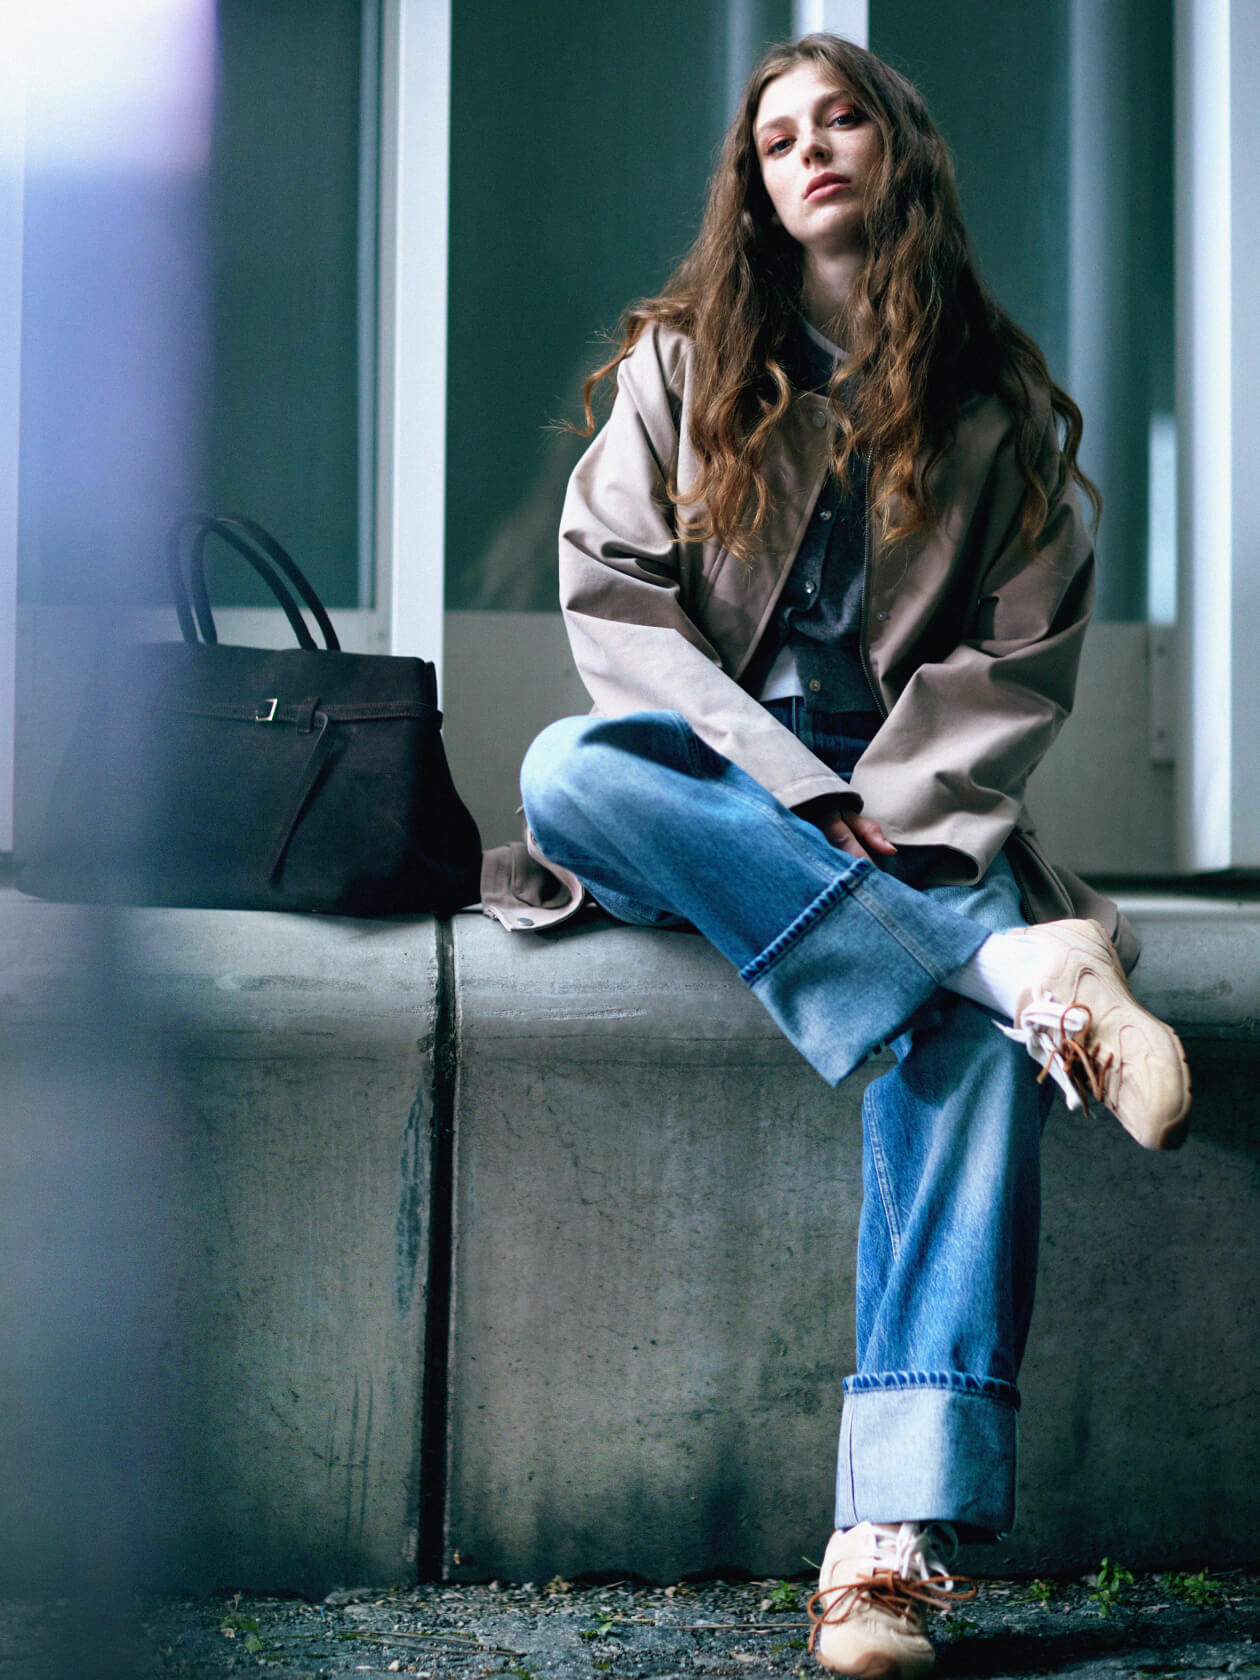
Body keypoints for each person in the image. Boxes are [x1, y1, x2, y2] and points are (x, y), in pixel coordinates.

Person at [482, 33, 1190, 1680]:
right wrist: (795, 788)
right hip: (716, 790)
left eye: (842, 118)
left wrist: (895, 803)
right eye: (777, 134)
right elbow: (617, 610)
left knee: (973, 1058)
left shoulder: (998, 410)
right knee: (565, 770)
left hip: (921, 796)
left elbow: (1012, 666)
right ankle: (1013, 967)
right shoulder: (684, 366)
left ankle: (885, 1551)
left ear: (899, 151)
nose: (809, 148)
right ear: (753, 185)